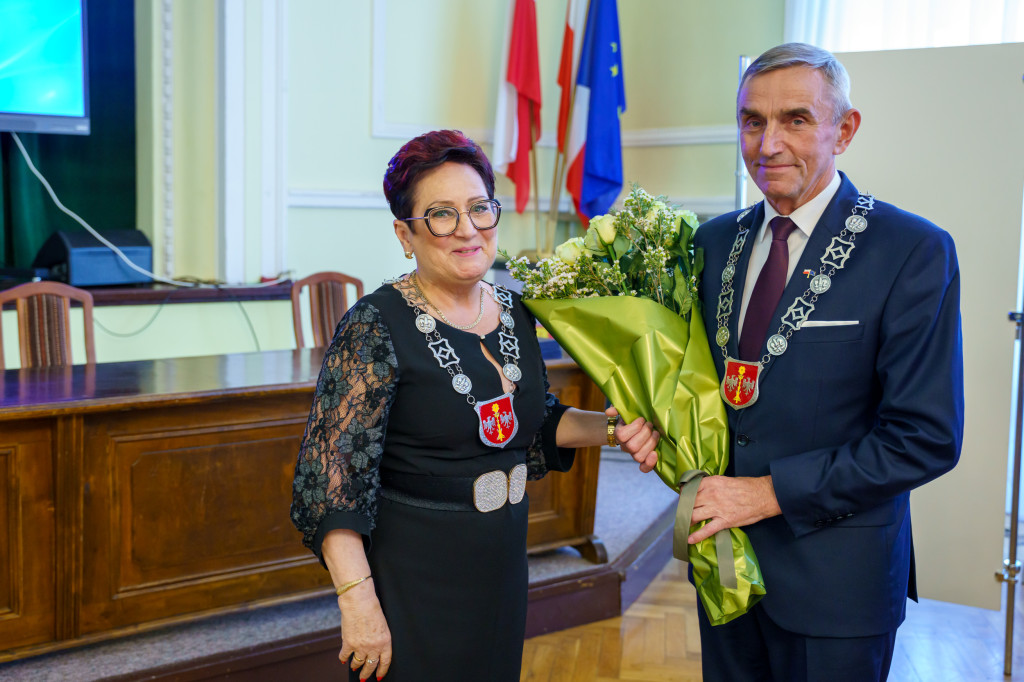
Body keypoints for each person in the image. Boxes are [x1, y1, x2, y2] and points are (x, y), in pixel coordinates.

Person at [290, 129, 659, 682]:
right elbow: (329, 483)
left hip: (500, 562)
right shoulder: (373, 325)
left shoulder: (514, 309)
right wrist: (359, 605)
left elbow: (534, 424)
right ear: (405, 233)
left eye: (479, 208)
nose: (467, 229)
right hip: (414, 573)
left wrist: (612, 429)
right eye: (441, 214)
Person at [688, 43, 964, 681]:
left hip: (838, 586)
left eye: (796, 120)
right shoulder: (712, 242)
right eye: (752, 121)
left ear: (844, 129)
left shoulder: (911, 250)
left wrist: (768, 493)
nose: (768, 144)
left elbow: (925, 438)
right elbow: (700, 392)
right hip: (723, 571)